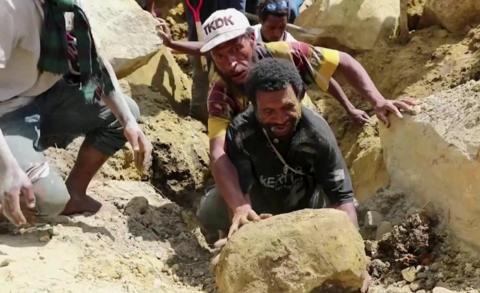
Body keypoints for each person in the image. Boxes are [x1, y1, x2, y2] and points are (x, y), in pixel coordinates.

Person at [158, 9, 414, 237]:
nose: (231, 63)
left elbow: (343, 62)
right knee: (213, 210)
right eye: (221, 55)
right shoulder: (221, 95)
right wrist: (239, 206)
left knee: (335, 202)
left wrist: (377, 100)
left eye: (237, 49)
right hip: (259, 163)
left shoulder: (287, 55)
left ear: (251, 38)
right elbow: (219, 153)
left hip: (305, 151)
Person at [0, 0, 152, 226]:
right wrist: (8, 168)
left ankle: (75, 195)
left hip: (48, 93)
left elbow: (93, 62)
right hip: (7, 112)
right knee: (48, 202)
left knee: (125, 112)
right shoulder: (9, 8)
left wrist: (128, 121)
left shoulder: (67, 3)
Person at [197, 58, 358, 235]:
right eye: (268, 111)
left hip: (308, 211)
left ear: (300, 95)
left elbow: (342, 198)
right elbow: (242, 195)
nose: (280, 119)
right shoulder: (242, 132)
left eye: (288, 107)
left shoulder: (316, 134)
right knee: (210, 209)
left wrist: (350, 239)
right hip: (263, 212)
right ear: (254, 105)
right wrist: (244, 230)